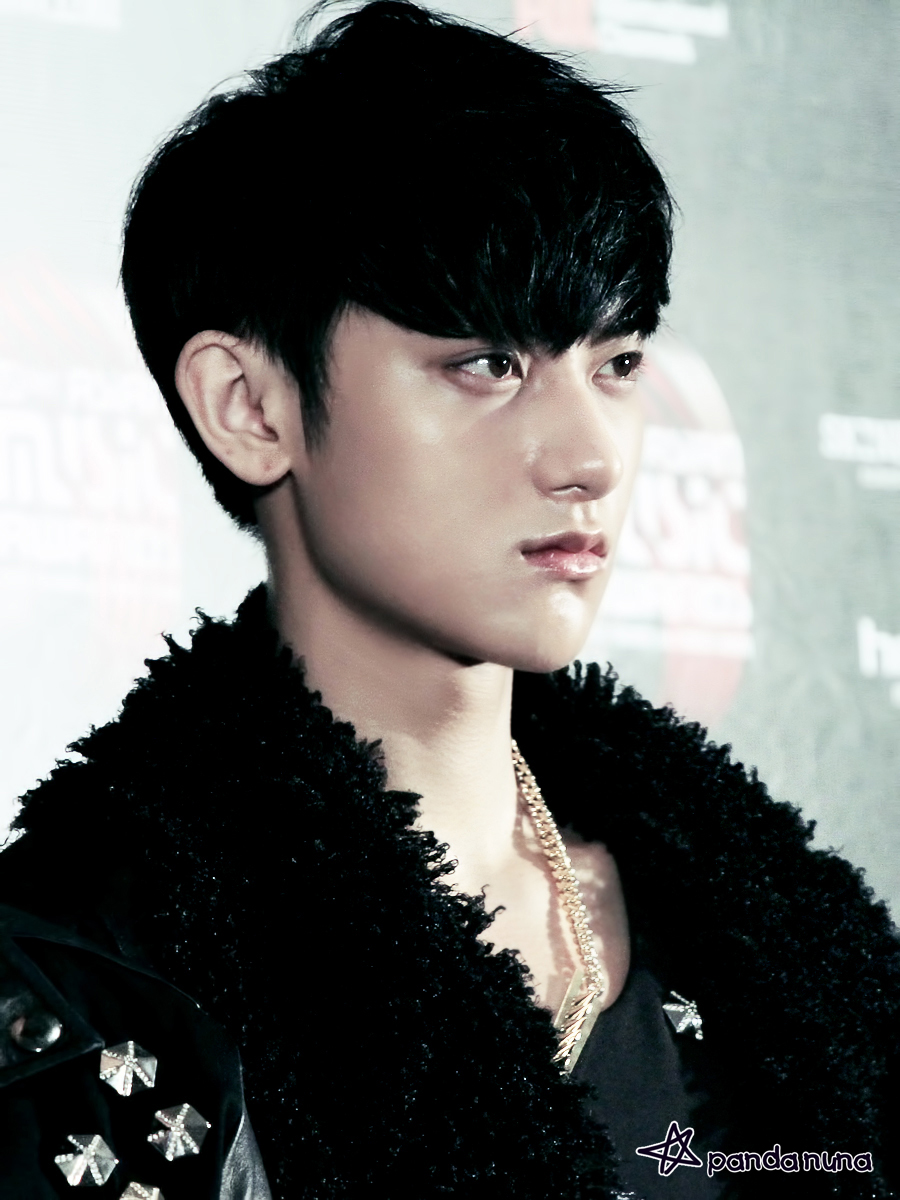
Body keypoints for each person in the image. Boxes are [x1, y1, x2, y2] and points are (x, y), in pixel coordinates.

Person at [0, 2, 897, 1197]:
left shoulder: (788, 944)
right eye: (487, 364)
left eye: (618, 362)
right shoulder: (89, 977)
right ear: (250, 408)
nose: (591, 454)